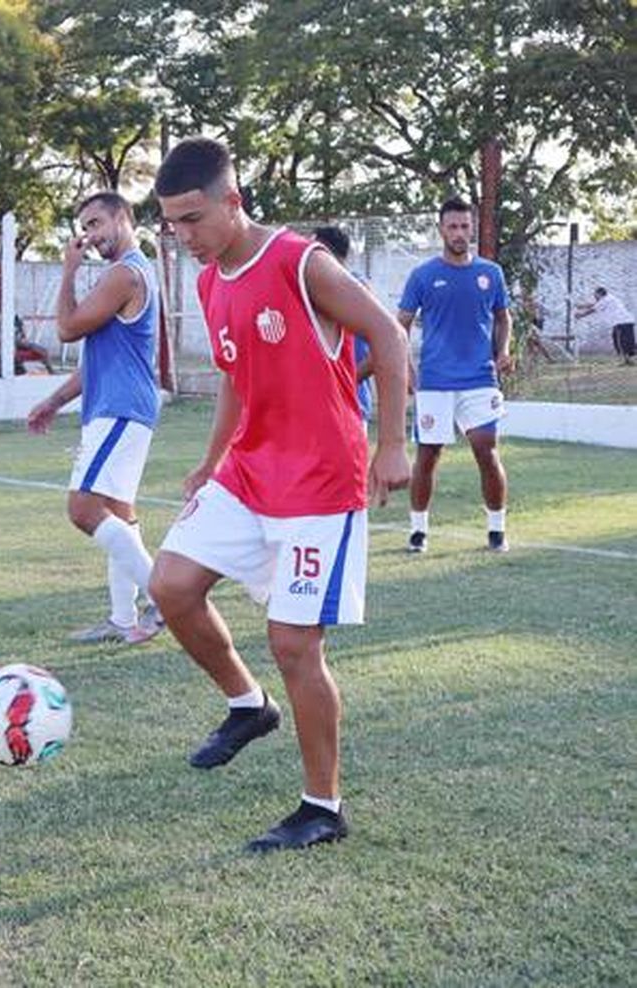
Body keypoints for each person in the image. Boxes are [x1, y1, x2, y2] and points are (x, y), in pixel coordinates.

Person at [146, 137, 410, 853]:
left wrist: (391, 444)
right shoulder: (207, 280)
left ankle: (322, 807)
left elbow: (386, 334)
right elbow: (237, 372)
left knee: (294, 644)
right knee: (170, 583)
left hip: (320, 482)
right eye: (172, 223)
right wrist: (210, 462)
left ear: (233, 202)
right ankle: (246, 705)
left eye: (194, 219)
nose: (183, 237)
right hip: (249, 471)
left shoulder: (300, 262)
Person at [25, 192, 164, 645]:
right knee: (119, 515)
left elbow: (66, 328)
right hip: (118, 405)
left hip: (121, 409)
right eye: (84, 226)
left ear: (123, 219)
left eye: (97, 222)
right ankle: (124, 622)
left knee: (84, 509)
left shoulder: (125, 273)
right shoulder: (120, 275)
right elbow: (96, 362)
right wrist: (54, 401)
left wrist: (66, 270)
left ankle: (163, 596)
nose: (89, 235)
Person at [397, 196, 514, 553]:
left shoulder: (490, 273)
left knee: (486, 450)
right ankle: (418, 531)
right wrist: (407, 371)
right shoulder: (423, 275)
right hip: (434, 381)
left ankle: (496, 529)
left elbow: (502, 317)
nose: (460, 233)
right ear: (441, 230)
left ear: (472, 228)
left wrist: (503, 350)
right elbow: (399, 326)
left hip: (479, 379)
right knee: (428, 456)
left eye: (465, 226)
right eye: (453, 226)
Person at [313, 226, 377, 421]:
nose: (303, 255)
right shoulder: (309, 289)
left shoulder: (355, 289)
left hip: (350, 408)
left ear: (324, 253)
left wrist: (345, 380)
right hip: (314, 407)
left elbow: (384, 347)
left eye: (311, 250)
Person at [574, 286, 636, 365]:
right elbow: (595, 305)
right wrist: (582, 306)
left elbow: (593, 310)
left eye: (595, 295)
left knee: (620, 342)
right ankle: (628, 360)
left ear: (599, 294)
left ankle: (626, 360)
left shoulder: (605, 300)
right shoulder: (609, 298)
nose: (594, 296)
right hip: (626, 322)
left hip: (621, 323)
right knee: (627, 342)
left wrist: (580, 315)